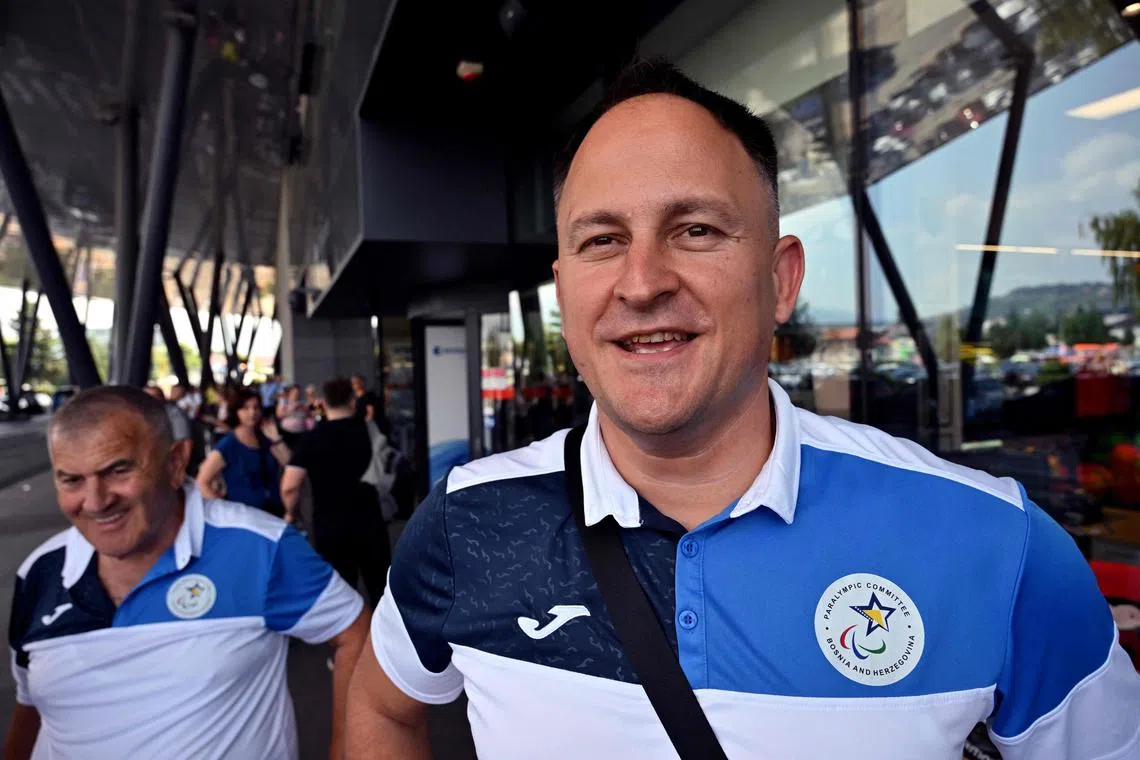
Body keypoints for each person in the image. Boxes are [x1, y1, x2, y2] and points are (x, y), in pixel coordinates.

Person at [345, 60, 1140, 759]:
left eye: (694, 229)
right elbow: (383, 702)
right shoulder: (468, 523)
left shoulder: (994, 541)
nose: (641, 281)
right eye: (601, 241)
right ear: (564, 286)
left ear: (781, 278)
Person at [5, 387, 367, 760]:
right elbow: (31, 703)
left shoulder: (258, 548)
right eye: (71, 480)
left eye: (118, 470)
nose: (96, 502)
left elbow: (355, 633)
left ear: (176, 462)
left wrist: (347, 750)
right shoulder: (39, 573)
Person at [280, 378, 393, 607]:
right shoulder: (369, 430)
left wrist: (291, 512)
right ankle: (383, 638)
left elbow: (290, 486)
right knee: (379, 588)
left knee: (341, 592)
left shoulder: (311, 438)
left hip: (329, 524)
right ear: (352, 400)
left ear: (323, 403)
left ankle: (352, 639)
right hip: (369, 519)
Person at [196, 388, 290, 517]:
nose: (252, 413)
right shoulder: (228, 444)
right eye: (245, 408)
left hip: (273, 512)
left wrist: (276, 439)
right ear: (236, 411)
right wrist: (226, 511)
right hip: (245, 516)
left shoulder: (265, 439)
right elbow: (202, 481)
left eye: (256, 407)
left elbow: (289, 464)